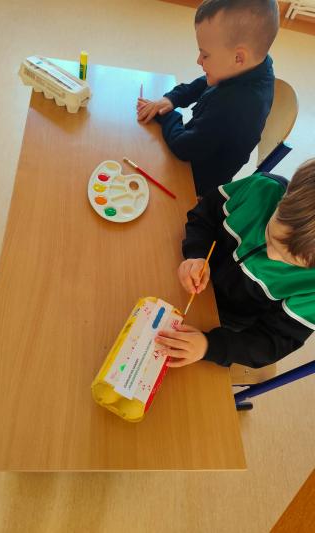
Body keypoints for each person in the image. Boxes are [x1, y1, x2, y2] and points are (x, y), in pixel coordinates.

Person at [154, 160, 315, 368]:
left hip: (225, 327)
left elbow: (272, 343)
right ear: (285, 198)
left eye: (290, 261)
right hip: (185, 277)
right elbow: (204, 215)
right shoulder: (260, 189)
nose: (271, 256)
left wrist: (209, 346)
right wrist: (197, 254)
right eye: (270, 237)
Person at [137, 0, 279, 196]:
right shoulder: (254, 66)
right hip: (200, 146)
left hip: (196, 181)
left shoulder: (235, 106)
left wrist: (166, 114)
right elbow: (208, 81)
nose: (199, 61)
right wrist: (172, 99)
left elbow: (183, 148)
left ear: (238, 58)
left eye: (205, 55)